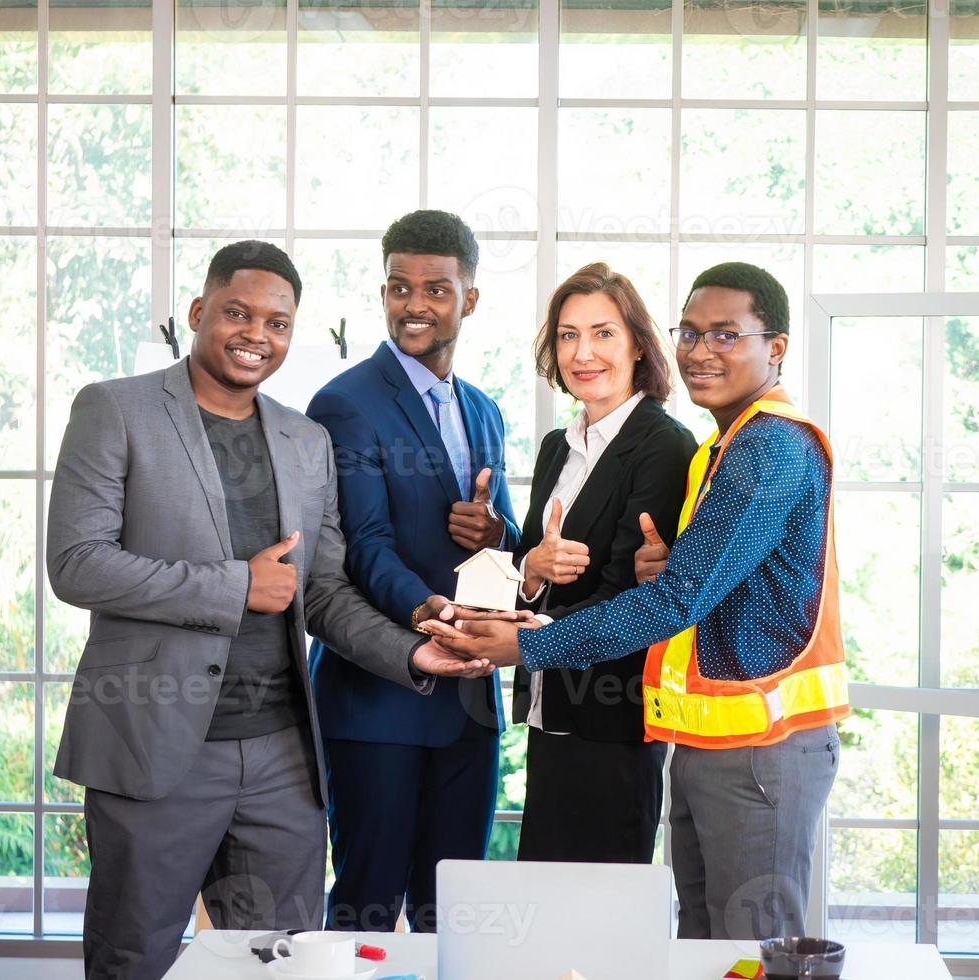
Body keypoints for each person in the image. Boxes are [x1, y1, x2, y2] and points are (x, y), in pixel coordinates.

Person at [47, 240, 491, 980]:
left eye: (278, 323)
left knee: (286, 963)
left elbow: (321, 591)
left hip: (284, 757)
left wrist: (410, 650)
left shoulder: (304, 438)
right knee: (134, 958)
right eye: (237, 313)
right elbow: (76, 564)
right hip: (156, 747)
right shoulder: (114, 410)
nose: (257, 334)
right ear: (199, 312)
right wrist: (233, 585)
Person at [427, 262, 850, 941]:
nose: (702, 351)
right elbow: (701, 578)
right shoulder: (723, 446)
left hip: (758, 746)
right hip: (708, 738)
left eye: (725, 335)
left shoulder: (764, 446)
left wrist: (526, 642)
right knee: (706, 945)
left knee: (749, 946)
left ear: (776, 348)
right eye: (694, 333)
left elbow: (675, 599)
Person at [305, 210, 522, 933]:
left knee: (453, 911)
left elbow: (509, 545)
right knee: (368, 901)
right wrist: (435, 611)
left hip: (469, 706)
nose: (415, 305)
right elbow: (362, 546)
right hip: (380, 702)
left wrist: (496, 532)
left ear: (471, 299)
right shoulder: (345, 404)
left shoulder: (484, 411)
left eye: (435, 288)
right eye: (400, 288)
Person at [511, 263, 695, 863]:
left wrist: (524, 640)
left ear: (639, 344)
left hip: (614, 717)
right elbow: (527, 567)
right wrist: (533, 570)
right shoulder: (555, 449)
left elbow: (632, 590)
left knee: (604, 912)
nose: (582, 352)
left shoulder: (664, 446)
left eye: (602, 333)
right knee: (544, 901)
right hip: (550, 709)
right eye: (567, 335)